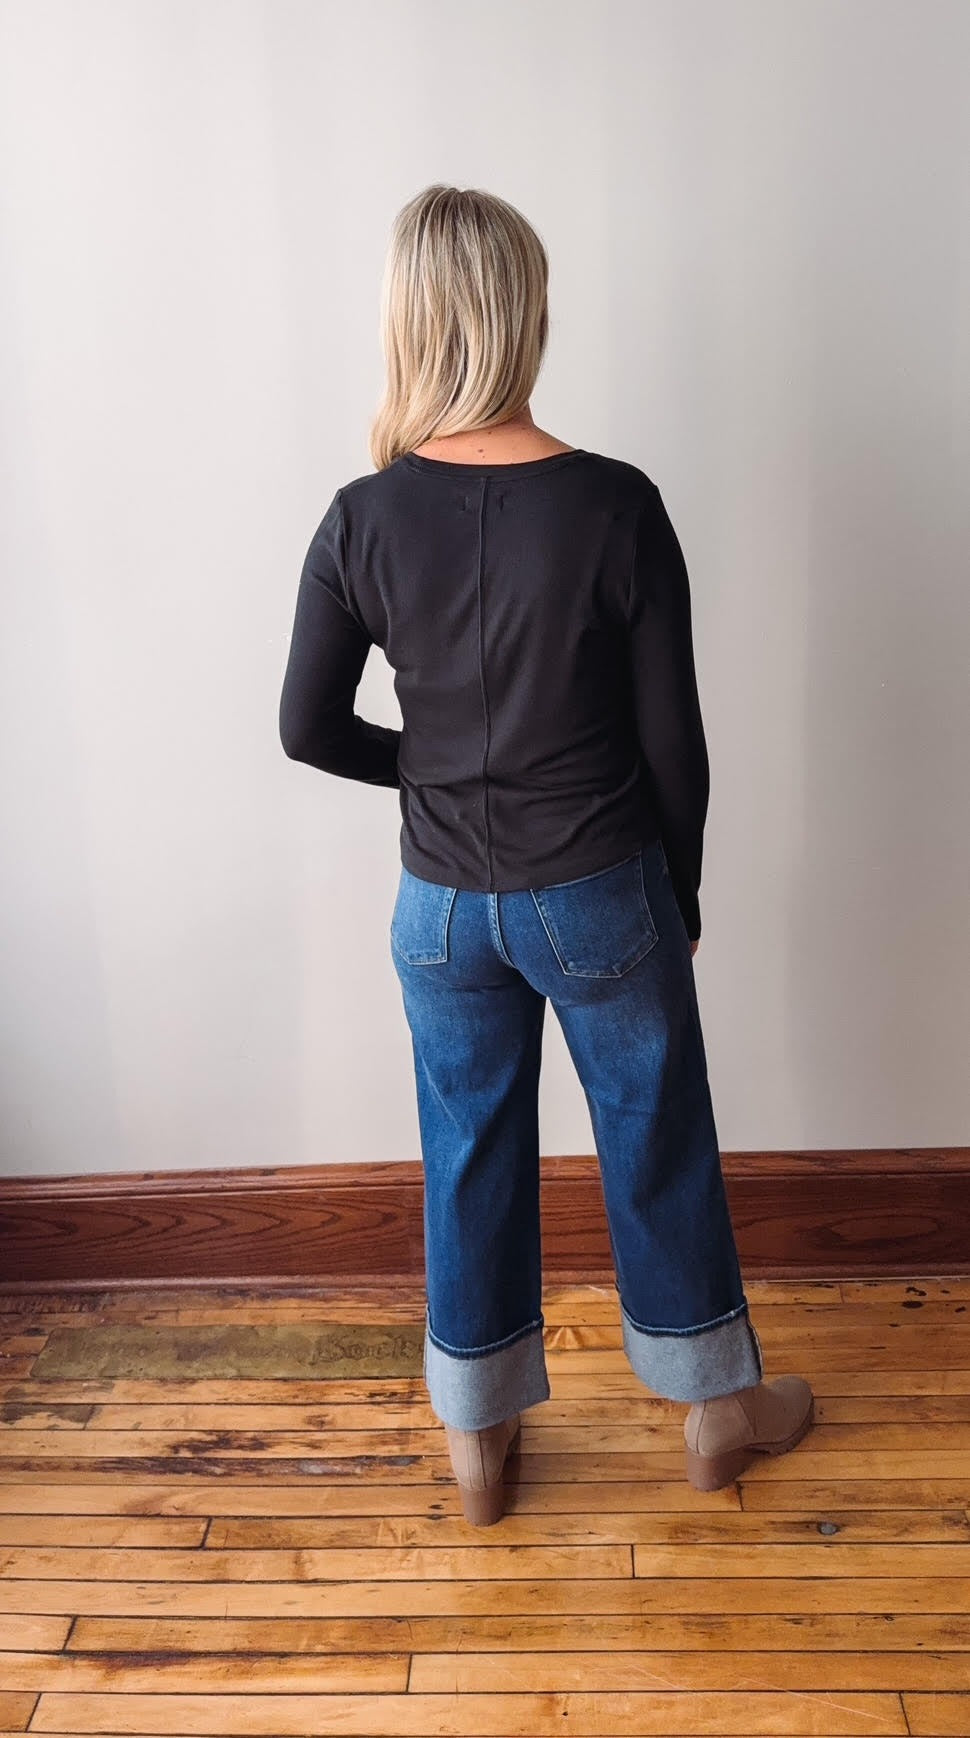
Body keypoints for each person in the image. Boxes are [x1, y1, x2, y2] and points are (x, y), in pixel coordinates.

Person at [278, 182, 814, 1527]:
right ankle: (713, 1409)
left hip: (440, 905)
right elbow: (673, 743)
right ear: (525, 315)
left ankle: (478, 1439)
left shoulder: (358, 517)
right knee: (654, 1133)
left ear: (408, 321)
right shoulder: (614, 505)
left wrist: (435, 767)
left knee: (465, 1145)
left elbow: (303, 726)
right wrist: (675, 890)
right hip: (596, 888)